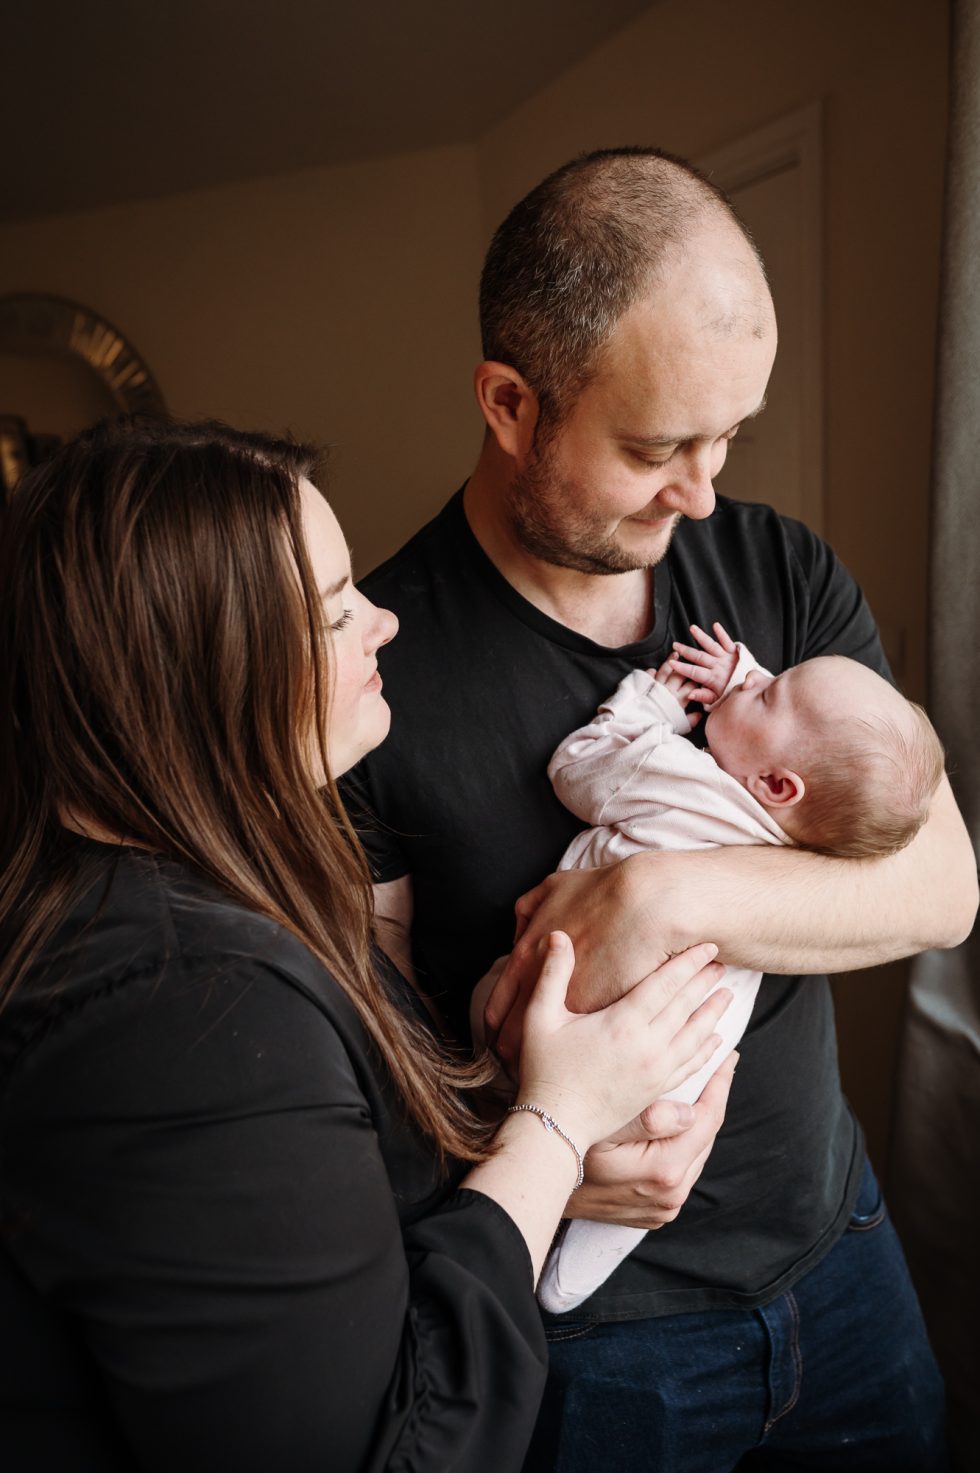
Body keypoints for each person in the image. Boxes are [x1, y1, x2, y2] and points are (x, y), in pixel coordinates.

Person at [343, 147, 977, 1471]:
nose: (700, 493)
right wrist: (550, 1150)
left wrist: (659, 893)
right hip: (608, 1350)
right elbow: (373, 1056)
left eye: (726, 438)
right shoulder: (374, 674)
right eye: (654, 447)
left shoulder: (780, 573)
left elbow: (942, 887)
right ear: (512, 406)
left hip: (838, 1249)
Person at [0, 416, 735, 1473]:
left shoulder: (207, 890)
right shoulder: (180, 1009)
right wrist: (556, 1126)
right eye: (336, 609)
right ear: (203, 670)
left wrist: (539, 1166)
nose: (383, 622)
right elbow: (391, 1448)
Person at [537, 620, 946, 1313]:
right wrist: (743, 691)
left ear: (778, 783)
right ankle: (577, 1264)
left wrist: (658, 704)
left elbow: (580, 766)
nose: (752, 673)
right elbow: (797, 738)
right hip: (698, 1032)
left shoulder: (686, 779)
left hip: (585, 1004)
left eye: (767, 688)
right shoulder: (809, 846)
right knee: (664, 1114)